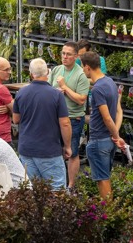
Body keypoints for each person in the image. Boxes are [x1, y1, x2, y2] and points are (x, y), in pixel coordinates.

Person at [12, 58, 71, 190]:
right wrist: (67, 146)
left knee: (33, 190)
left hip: (26, 148)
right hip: (49, 150)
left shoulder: (21, 93)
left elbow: (16, 119)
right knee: (57, 189)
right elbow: (65, 123)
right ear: (48, 73)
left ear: (31, 74)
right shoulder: (56, 95)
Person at [80, 51, 125, 198]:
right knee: (105, 176)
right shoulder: (110, 82)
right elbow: (118, 112)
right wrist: (116, 135)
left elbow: (106, 118)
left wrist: (116, 136)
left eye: (82, 67)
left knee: (102, 179)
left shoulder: (97, 89)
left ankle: (108, 210)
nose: (82, 71)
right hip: (108, 141)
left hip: (99, 140)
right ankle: (109, 208)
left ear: (87, 67)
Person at [48, 41, 89, 188]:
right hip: (55, 118)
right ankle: (55, 184)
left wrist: (65, 87)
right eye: (63, 53)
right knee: (54, 151)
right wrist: (56, 92)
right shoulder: (56, 70)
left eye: (68, 54)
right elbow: (48, 89)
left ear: (76, 56)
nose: (65, 57)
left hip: (73, 119)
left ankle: (71, 186)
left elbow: (81, 99)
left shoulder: (81, 75)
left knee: (72, 152)